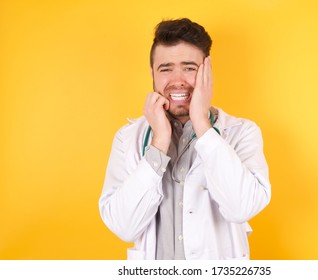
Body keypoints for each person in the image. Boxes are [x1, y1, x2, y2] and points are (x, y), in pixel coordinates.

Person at [99, 18, 271, 260]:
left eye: (189, 68)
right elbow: (124, 227)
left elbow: (241, 208)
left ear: (207, 72)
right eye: (166, 68)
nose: (177, 80)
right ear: (152, 73)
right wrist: (159, 141)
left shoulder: (243, 132)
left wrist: (202, 123)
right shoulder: (127, 138)